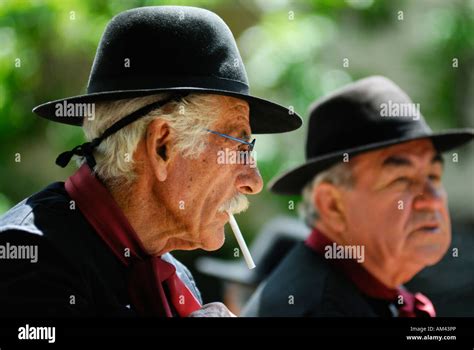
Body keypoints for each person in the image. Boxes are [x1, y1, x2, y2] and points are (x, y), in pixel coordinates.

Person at [0, 6, 301, 317]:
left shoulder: (173, 280)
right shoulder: (29, 257)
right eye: (240, 147)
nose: (254, 181)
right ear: (162, 146)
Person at [242, 76, 473, 317]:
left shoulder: (363, 287)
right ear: (332, 205)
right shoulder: (320, 309)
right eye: (402, 180)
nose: (433, 198)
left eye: (434, 176)